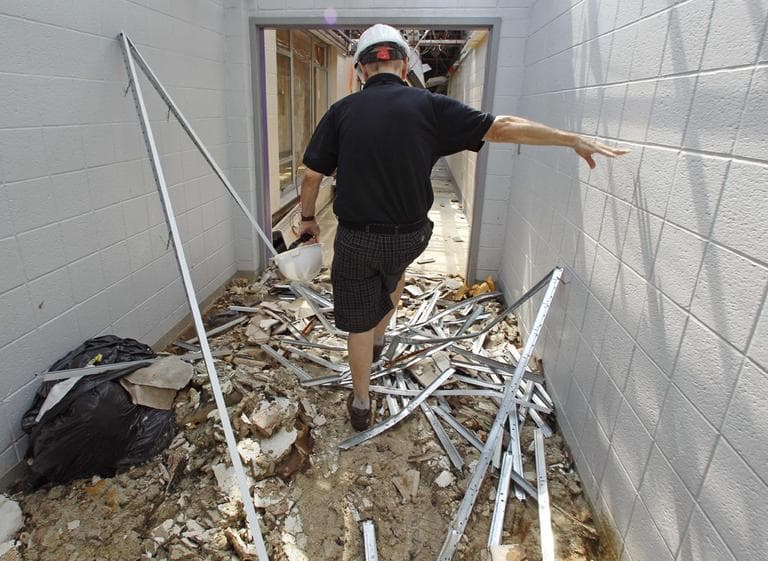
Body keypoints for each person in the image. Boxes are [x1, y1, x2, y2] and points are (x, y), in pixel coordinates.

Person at [298, 24, 628, 431]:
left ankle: (362, 400)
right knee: (393, 274)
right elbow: (502, 126)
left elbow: (312, 176)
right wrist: (568, 138)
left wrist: (309, 220)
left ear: (362, 70)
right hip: (411, 235)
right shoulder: (430, 106)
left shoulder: (342, 112)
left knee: (357, 323)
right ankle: (382, 338)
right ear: (404, 68)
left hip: (357, 239)